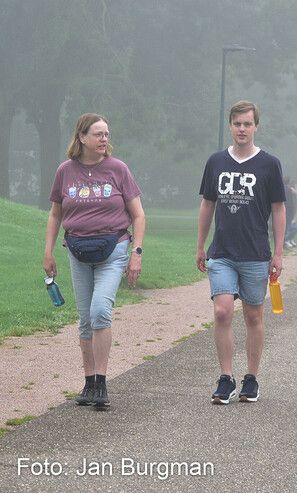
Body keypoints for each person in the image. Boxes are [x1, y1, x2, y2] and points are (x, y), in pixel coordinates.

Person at [43, 113, 146, 409]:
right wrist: (48, 252)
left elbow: (138, 215)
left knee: (101, 310)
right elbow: (55, 214)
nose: (104, 139)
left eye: (106, 134)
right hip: (76, 250)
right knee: (85, 319)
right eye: (98, 134)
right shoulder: (65, 171)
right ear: (82, 138)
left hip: (113, 249)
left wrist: (136, 254)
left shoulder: (118, 169)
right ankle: (89, 382)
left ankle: (101, 381)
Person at [196, 100, 286, 405]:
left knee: (253, 316)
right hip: (222, 251)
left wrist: (278, 252)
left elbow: (278, 208)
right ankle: (225, 378)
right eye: (237, 123)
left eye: (247, 124)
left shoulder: (269, 164)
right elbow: (208, 203)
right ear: (230, 126)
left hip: (256, 253)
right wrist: (200, 245)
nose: (242, 129)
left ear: (256, 126)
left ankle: (251, 378)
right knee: (222, 311)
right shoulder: (216, 161)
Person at [283, 176, 297, 247]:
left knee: (287, 225)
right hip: (289, 209)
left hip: (283, 208)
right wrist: (295, 187)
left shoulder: (281, 188)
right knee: (287, 226)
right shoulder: (289, 189)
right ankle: (286, 241)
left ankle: (287, 240)